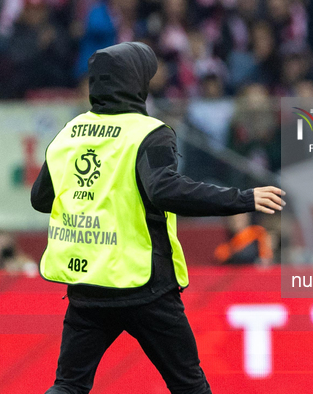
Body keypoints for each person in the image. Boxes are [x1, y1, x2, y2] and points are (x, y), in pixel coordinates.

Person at [31, 41, 285, 394]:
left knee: (69, 385)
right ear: (136, 83)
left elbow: (41, 199)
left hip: (87, 284)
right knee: (190, 385)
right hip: (144, 286)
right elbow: (167, 192)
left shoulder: (69, 133)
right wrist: (243, 198)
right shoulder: (148, 133)